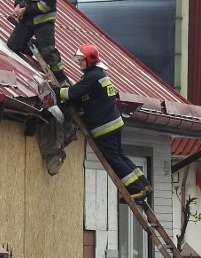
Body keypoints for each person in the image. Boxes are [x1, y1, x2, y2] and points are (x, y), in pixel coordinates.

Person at [58, 44, 151, 201]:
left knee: (113, 159)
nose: (78, 62)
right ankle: (144, 184)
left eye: (81, 59)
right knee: (120, 155)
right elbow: (87, 96)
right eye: (78, 59)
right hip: (114, 122)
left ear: (90, 60)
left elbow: (71, 93)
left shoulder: (92, 77)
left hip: (104, 127)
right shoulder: (99, 75)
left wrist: (55, 89)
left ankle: (136, 189)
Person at [6, 0, 67, 83]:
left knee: (49, 52)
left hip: (43, 22)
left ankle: (62, 79)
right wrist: (17, 5)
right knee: (14, 45)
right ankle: (37, 48)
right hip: (28, 20)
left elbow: (46, 5)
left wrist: (26, 9)